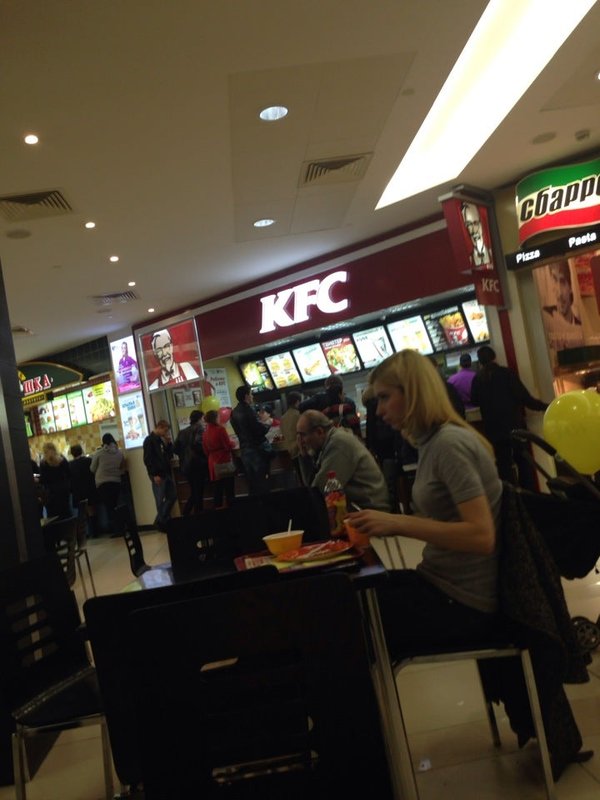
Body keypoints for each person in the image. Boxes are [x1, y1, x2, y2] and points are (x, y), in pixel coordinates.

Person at [346, 349, 503, 658]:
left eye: (384, 397)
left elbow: (482, 536)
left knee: (345, 625)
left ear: (414, 393)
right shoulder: (433, 442)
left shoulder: (449, 444)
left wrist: (398, 522)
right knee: (348, 601)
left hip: (463, 601)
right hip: (441, 584)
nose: (378, 411)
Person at [470, 345, 548, 490]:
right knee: (523, 463)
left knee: (503, 466)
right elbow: (524, 398)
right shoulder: (506, 373)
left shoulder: (478, 379)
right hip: (514, 426)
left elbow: (474, 400)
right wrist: (545, 406)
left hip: (493, 430)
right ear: (494, 357)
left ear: (479, 362)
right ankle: (529, 496)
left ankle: (511, 497)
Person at [296, 409, 389, 511]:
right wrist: (305, 456)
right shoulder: (329, 443)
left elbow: (319, 491)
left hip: (371, 510)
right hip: (360, 507)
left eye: (303, 435)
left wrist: (305, 459)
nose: (300, 441)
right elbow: (313, 491)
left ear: (319, 432)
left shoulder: (338, 443)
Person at [230, 386, 271, 495]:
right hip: (256, 450)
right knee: (262, 482)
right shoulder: (249, 410)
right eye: (251, 394)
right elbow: (259, 430)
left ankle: (255, 504)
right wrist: (267, 424)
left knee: (252, 483)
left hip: (244, 450)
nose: (252, 396)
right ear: (246, 396)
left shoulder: (233, 412)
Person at [541, 261, 584, 353]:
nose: (559, 293)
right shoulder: (546, 316)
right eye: (554, 280)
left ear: (570, 287)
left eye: (563, 282)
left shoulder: (581, 325)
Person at [143, 419, 177, 530]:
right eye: (165, 430)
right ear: (160, 427)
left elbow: (169, 455)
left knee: (172, 496)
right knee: (160, 499)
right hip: (158, 474)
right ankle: (162, 522)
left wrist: (169, 443)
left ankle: (160, 520)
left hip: (166, 472)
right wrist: (153, 475)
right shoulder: (149, 440)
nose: (166, 433)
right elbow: (147, 459)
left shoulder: (160, 441)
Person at [90, 434, 126, 536]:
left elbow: (92, 468)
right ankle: (121, 528)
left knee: (109, 507)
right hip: (116, 481)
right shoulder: (119, 453)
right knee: (116, 506)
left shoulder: (99, 453)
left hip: (103, 483)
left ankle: (116, 530)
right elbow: (122, 467)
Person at [173, 410, 207, 515]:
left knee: (195, 490)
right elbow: (199, 445)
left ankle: (189, 512)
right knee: (198, 491)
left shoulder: (182, 432)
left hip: (186, 466)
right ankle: (194, 512)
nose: (204, 420)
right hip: (198, 464)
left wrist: (184, 455)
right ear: (199, 419)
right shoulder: (200, 429)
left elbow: (175, 449)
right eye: (203, 418)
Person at [203, 409, 236, 508]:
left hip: (212, 463)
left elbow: (205, 450)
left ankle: (219, 511)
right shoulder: (220, 430)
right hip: (223, 461)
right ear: (215, 418)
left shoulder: (205, 433)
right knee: (229, 490)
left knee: (217, 491)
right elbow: (228, 446)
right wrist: (233, 443)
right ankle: (232, 511)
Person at [68, 444, 98, 535]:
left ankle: (87, 533)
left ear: (72, 454)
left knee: (82, 513)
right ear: (81, 451)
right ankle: (95, 531)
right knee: (91, 510)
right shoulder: (89, 460)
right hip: (89, 488)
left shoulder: (70, 465)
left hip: (78, 491)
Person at [39, 442, 72, 518]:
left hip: (51, 494)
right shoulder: (62, 459)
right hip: (64, 491)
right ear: (55, 449)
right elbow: (69, 474)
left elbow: (43, 480)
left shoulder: (43, 463)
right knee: (66, 512)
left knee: (53, 516)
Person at [461, 201, 492, 267]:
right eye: (469, 224)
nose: (473, 230)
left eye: (476, 223)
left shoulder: (493, 252)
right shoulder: (469, 260)